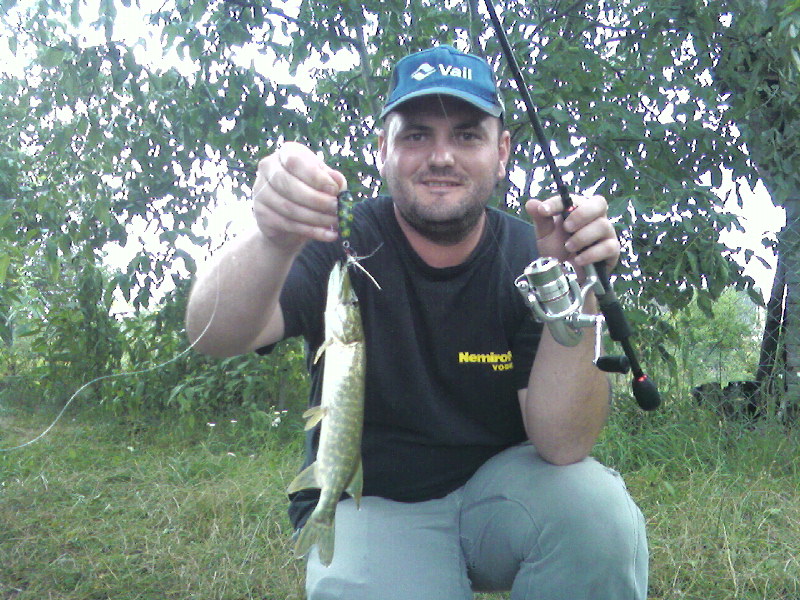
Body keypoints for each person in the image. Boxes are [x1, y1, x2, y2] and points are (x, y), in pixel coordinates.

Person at [185, 45, 648, 600]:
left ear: (502, 152)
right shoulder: (339, 240)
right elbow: (212, 334)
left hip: (497, 502)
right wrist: (272, 236)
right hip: (370, 501)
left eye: (467, 136)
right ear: (383, 149)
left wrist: (577, 288)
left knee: (595, 512)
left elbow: (564, 443)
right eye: (416, 135)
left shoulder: (533, 256)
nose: (441, 157)